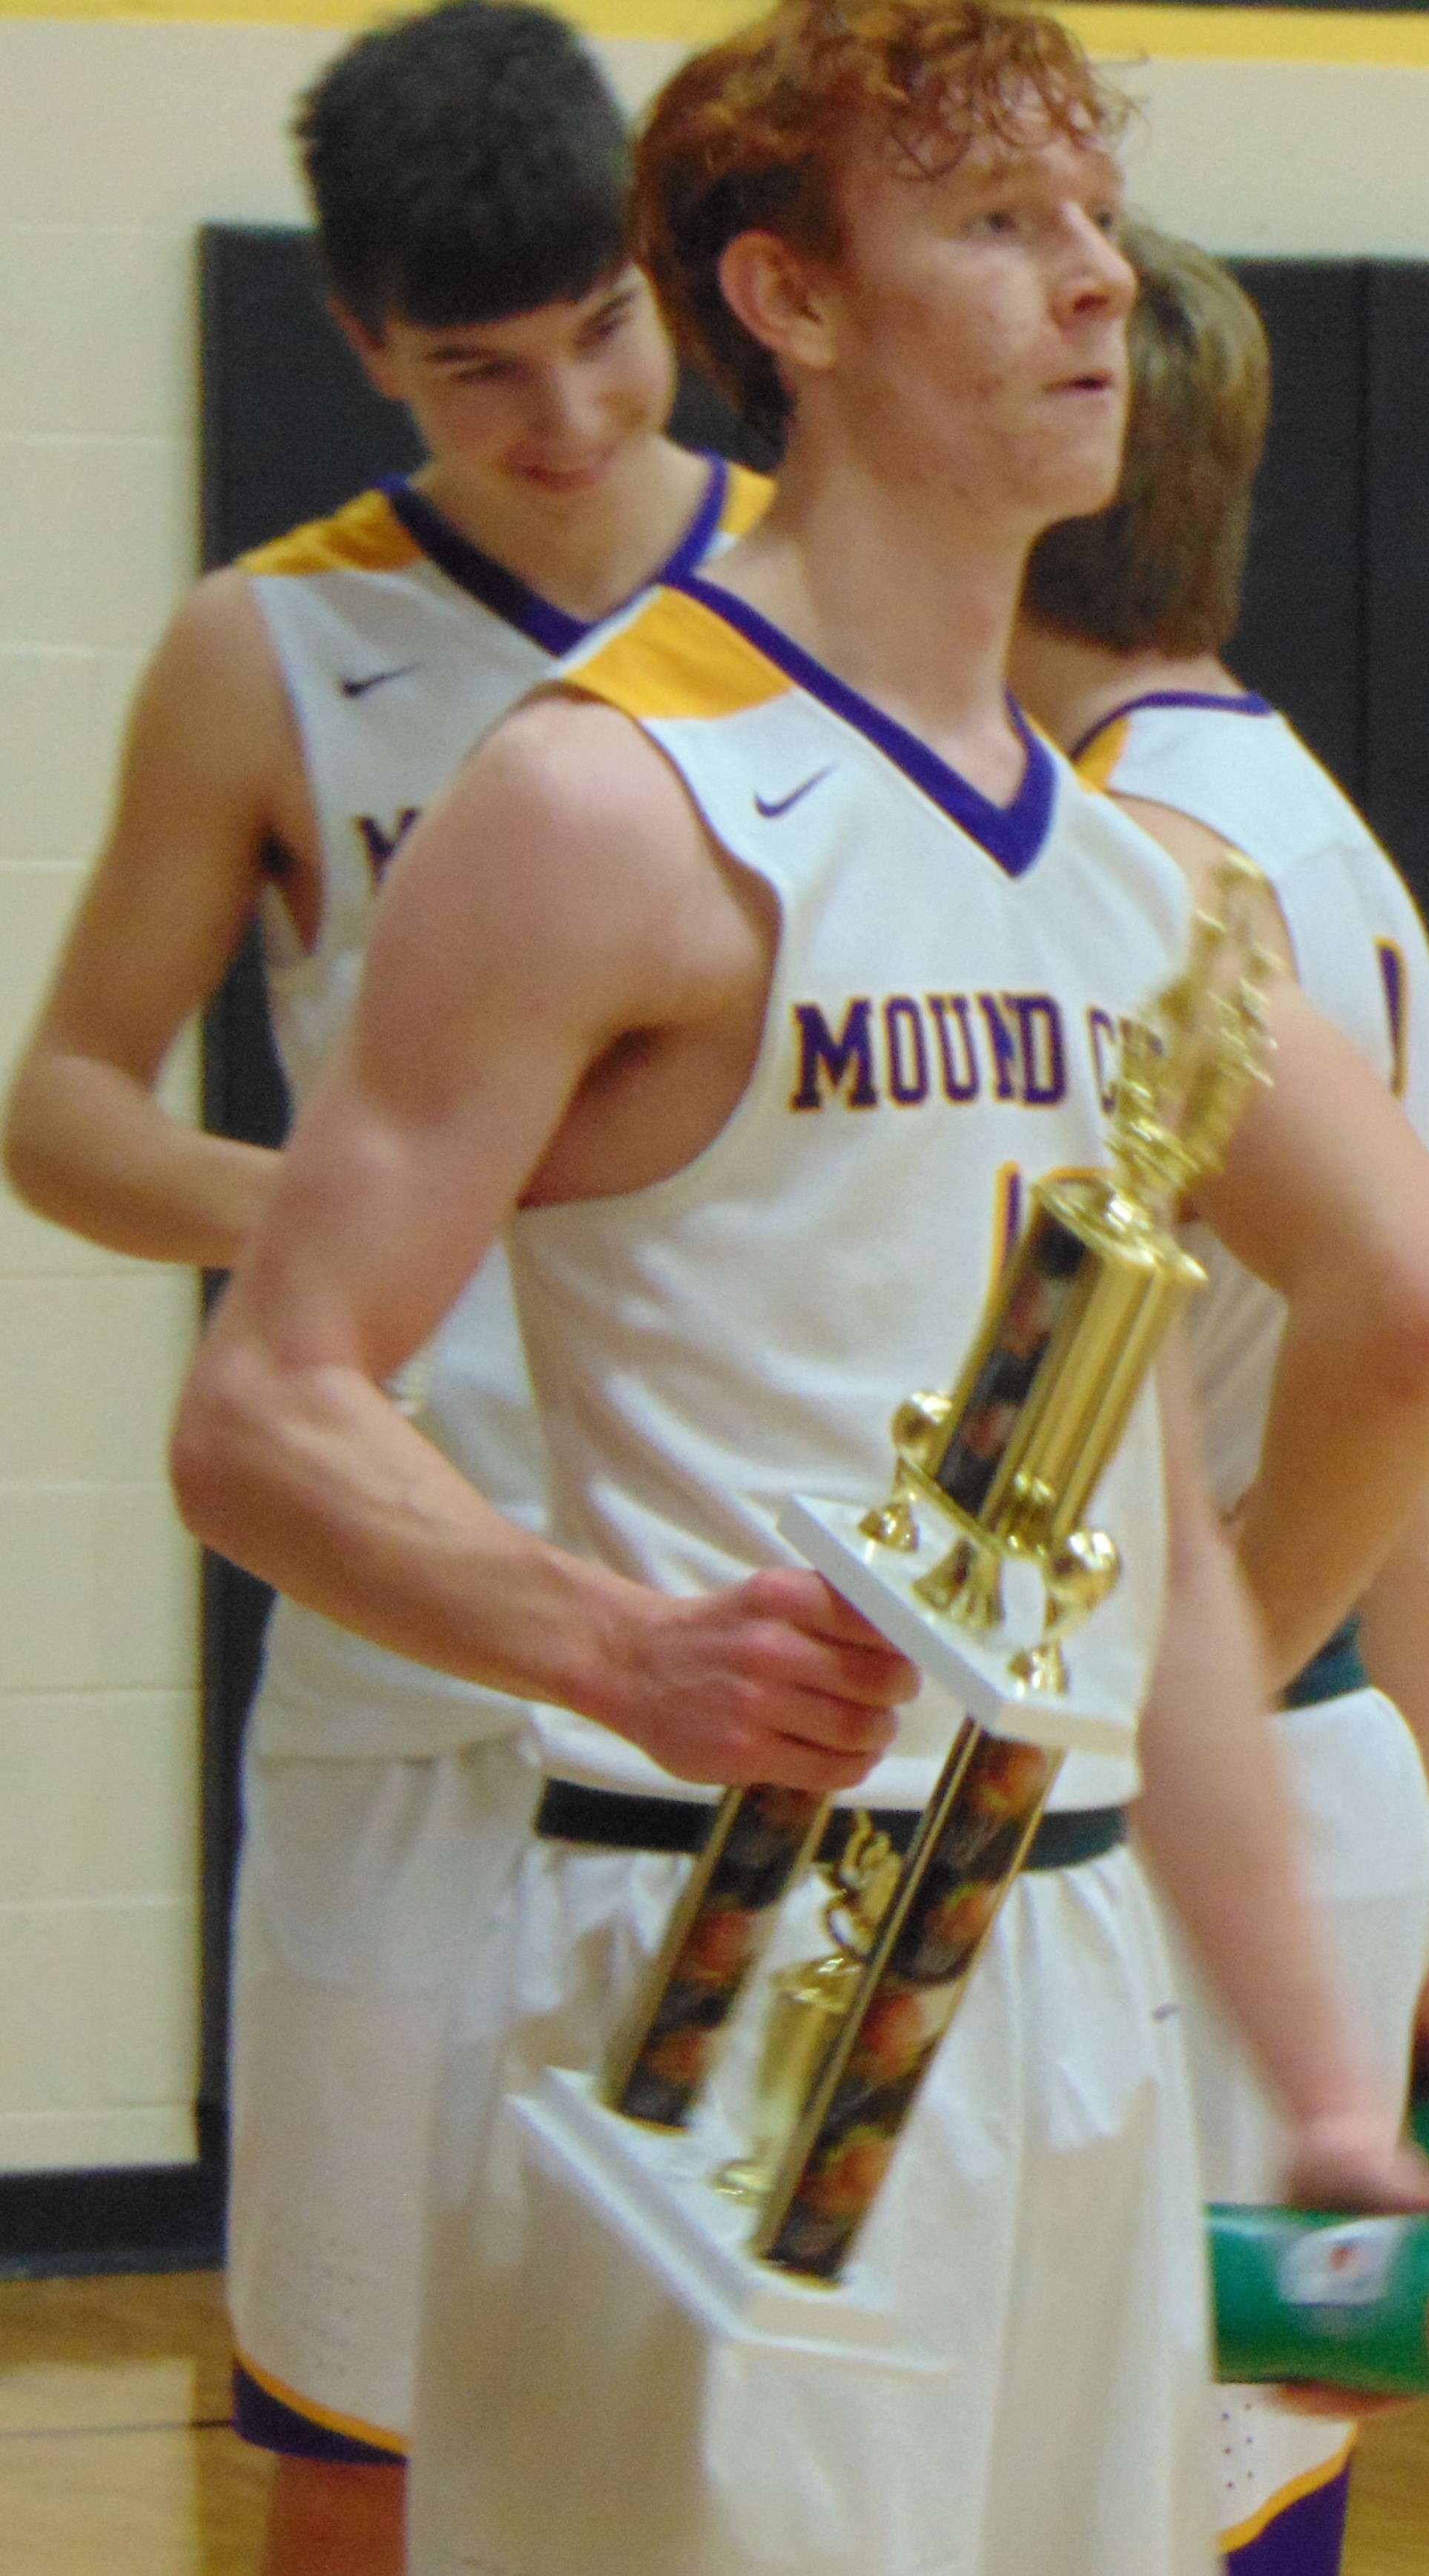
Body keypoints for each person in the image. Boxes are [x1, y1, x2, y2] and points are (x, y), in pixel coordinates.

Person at [166, 2, 1429, 2569]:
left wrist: (1245, 1911)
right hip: (709, 1957)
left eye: (1096, 219)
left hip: (1071, 1967)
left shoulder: (1156, 893)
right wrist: (597, 1637)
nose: (1094, 283)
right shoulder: (603, 794)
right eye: (1000, 229)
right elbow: (266, 1410)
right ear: (785, 297)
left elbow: (1345, 1380)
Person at [1, 7, 752, 2567]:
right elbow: (68, 1107)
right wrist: (337, 1220)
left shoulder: (812, 603)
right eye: (481, 372)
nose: (562, 416)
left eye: (606, 336)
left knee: (745, 2421)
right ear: (360, 346)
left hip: (738, 1631)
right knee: (358, 2427)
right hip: (407, 1647)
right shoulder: (269, 648)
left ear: (666, 277)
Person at [1012, 223, 1429, 2575]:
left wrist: (1148, 1717)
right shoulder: (1326, 832)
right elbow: (1419, 1434)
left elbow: (1422, 1336)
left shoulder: (1140, 874)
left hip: (1162, 1792)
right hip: (1307, 1775)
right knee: (1253, 2507)